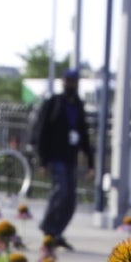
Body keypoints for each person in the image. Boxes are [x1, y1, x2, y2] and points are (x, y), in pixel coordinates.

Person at [31, 69, 92, 251]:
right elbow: (42, 131)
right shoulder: (54, 103)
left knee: (71, 199)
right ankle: (48, 228)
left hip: (70, 156)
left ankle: (57, 232)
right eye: (68, 81)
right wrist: (42, 160)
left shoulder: (78, 105)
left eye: (73, 81)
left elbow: (84, 134)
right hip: (55, 156)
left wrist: (91, 162)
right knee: (61, 192)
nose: (70, 84)